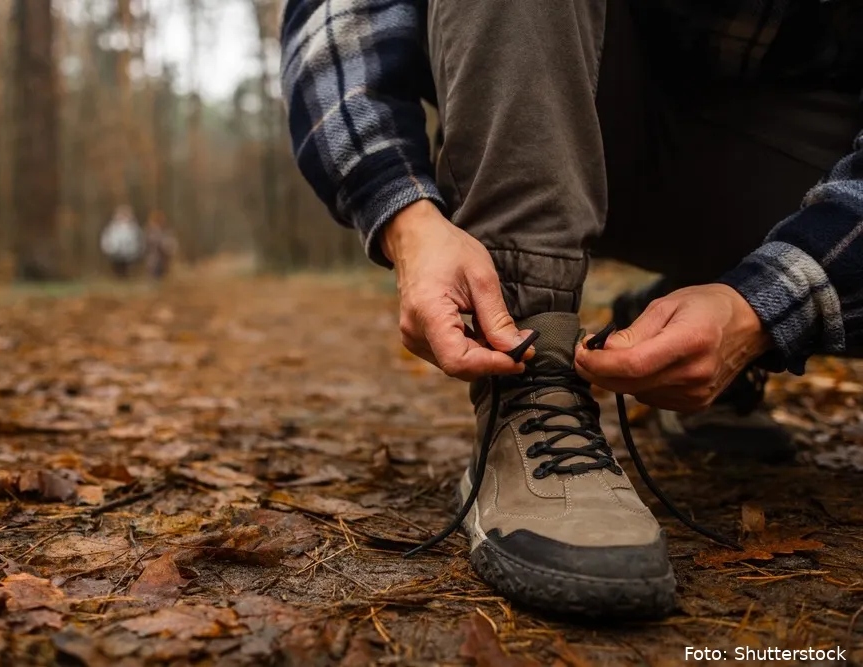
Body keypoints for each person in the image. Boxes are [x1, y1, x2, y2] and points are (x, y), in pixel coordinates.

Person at [281, 0, 862, 618]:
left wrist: (763, 306)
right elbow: (339, 18)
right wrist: (405, 217)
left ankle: (705, 320)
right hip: (562, 103)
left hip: (810, 163)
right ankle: (533, 373)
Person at [100, 205, 144, 278]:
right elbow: (106, 238)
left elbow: (139, 239)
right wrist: (108, 248)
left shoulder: (134, 228)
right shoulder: (112, 227)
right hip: (115, 252)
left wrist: (137, 250)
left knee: (126, 267)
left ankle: (126, 277)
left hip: (129, 253)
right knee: (117, 266)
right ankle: (118, 277)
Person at [144, 210, 178, 280]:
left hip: (163, 256)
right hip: (153, 256)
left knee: (162, 271)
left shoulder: (166, 231)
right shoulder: (149, 230)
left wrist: (169, 249)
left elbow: (171, 243)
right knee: (154, 269)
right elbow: (148, 243)